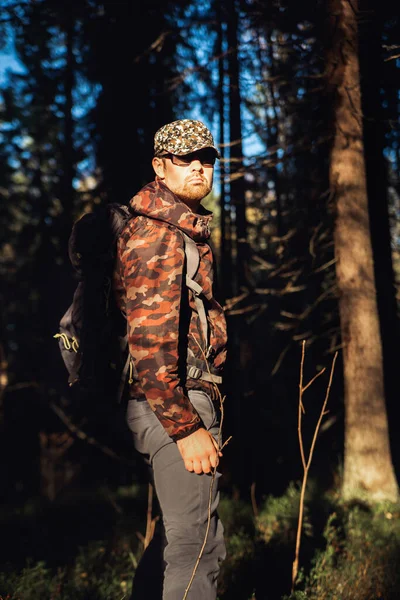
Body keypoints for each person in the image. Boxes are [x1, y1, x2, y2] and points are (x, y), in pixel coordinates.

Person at [113, 119, 228, 599]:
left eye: (207, 159)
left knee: (175, 541)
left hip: (171, 401)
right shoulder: (159, 234)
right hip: (173, 404)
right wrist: (185, 427)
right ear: (160, 167)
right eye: (186, 158)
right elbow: (150, 342)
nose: (200, 166)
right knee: (197, 547)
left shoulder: (179, 229)